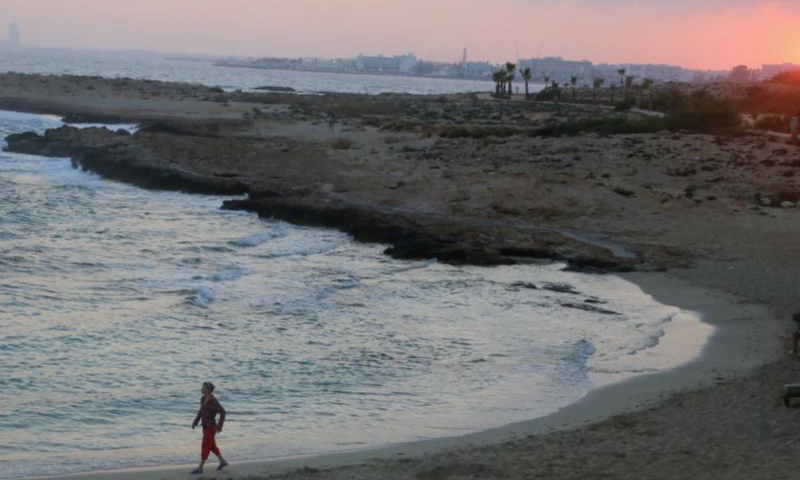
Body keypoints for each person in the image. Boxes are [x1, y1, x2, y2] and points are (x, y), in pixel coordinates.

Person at [191, 381, 228, 474]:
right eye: (202, 387)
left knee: (205, 446)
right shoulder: (203, 399)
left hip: (211, 427)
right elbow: (201, 411)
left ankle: (200, 467)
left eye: (204, 388)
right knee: (211, 446)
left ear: (208, 390)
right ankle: (222, 461)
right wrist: (196, 421)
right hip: (204, 426)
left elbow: (223, 412)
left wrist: (219, 426)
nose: (202, 389)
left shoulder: (213, 401)